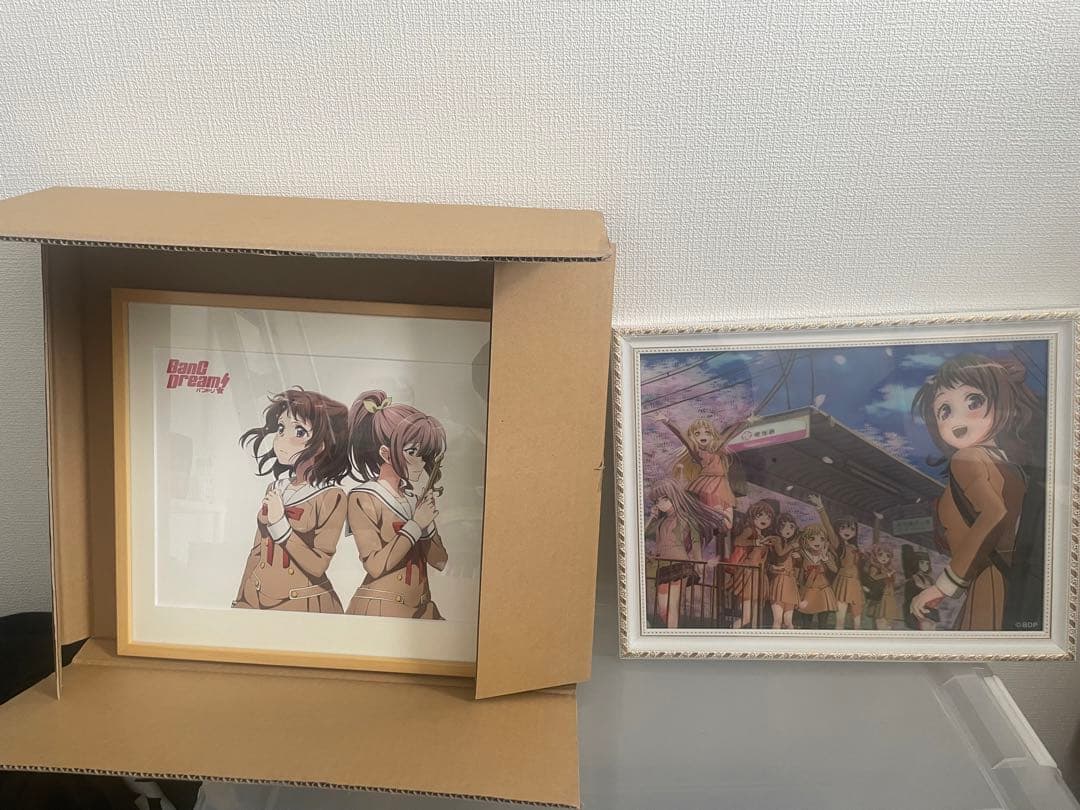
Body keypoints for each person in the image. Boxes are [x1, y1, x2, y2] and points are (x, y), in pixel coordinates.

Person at [909, 354, 1040, 630]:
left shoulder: (966, 458)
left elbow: (993, 514)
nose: (958, 419)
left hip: (987, 579)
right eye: (945, 410)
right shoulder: (1011, 466)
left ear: (1002, 402)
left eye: (974, 401)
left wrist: (944, 585)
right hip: (1012, 578)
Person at [232, 388, 349, 613]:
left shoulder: (331, 496)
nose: (282, 439)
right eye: (281, 428)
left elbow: (318, 565)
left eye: (299, 431)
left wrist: (280, 525)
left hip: (303, 604)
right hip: (257, 595)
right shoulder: (276, 487)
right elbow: (257, 551)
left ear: (322, 444)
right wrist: (241, 600)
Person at [343, 390, 449, 619]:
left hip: (422, 609)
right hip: (381, 608)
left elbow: (440, 562)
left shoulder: (414, 497)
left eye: (424, 453)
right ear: (386, 453)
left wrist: (427, 526)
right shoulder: (363, 497)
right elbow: (374, 566)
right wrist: (415, 525)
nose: (421, 462)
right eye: (412, 452)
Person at [654, 413, 749, 559]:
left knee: (727, 524)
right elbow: (682, 436)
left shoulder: (717, 447)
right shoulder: (697, 451)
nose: (702, 436)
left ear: (712, 435)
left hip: (722, 486)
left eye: (707, 432)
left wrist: (745, 422)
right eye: (697, 433)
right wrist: (667, 421)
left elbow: (729, 434)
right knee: (716, 516)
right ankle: (704, 531)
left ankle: (710, 529)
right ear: (693, 437)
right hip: (708, 486)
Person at [643, 478, 728, 628]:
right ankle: (672, 632)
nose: (660, 504)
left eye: (664, 499)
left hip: (680, 565)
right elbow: (642, 535)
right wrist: (651, 517)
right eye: (657, 501)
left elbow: (696, 541)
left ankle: (671, 637)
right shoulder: (661, 522)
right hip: (662, 566)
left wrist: (699, 563)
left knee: (672, 607)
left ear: (674, 496)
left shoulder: (686, 517)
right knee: (662, 609)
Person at [808, 495, 864, 630]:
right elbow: (828, 528)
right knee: (840, 621)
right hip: (843, 582)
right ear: (838, 529)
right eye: (844, 527)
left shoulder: (855, 547)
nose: (848, 531)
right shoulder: (838, 545)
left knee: (857, 622)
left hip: (855, 584)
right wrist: (820, 507)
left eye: (852, 529)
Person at [728, 499, 776, 629]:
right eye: (760, 515)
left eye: (768, 517)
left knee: (756, 618)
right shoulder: (750, 530)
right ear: (752, 516)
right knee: (747, 617)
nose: (764, 519)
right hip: (749, 575)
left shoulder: (762, 535)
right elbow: (737, 541)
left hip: (759, 576)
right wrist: (755, 542)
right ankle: (730, 632)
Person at [795, 523, 837, 629]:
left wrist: (825, 559)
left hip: (823, 590)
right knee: (806, 624)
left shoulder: (826, 554)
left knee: (823, 623)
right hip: (808, 590)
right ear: (805, 541)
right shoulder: (802, 554)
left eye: (821, 539)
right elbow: (799, 572)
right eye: (812, 539)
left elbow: (834, 569)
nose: (817, 542)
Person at [765, 512, 801, 629]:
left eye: (791, 527)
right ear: (778, 528)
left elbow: (797, 565)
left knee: (788, 621)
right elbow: (780, 553)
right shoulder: (777, 539)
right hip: (779, 581)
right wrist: (792, 547)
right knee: (778, 620)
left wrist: (798, 557)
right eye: (784, 526)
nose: (788, 530)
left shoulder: (790, 543)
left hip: (790, 582)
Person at [902, 545, 939, 631]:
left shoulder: (929, 579)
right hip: (917, 611)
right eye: (922, 562)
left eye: (927, 563)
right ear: (916, 563)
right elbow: (909, 600)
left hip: (931, 610)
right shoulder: (912, 580)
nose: (925, 566)